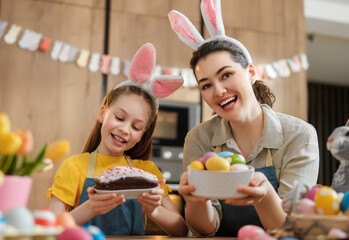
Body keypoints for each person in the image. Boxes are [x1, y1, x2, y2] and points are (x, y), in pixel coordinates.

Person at [168, 0, 319, 237]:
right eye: (206, 85)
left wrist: (264, 194)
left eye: (226, 75)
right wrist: (196, 200)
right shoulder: (198, 139)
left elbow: (291, 228)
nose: (218, 91)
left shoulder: (299, 135)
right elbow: (205, 229)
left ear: (250, 73)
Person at [46, 43, 188, 236]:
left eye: (136, 127)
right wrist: (91, 207)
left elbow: (181, 230)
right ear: (102, 113)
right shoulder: (74, 167)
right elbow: (51, 228)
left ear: (142, 135)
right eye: (119, 118)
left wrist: (153, 210)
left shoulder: (148, 172)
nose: (125, 129)